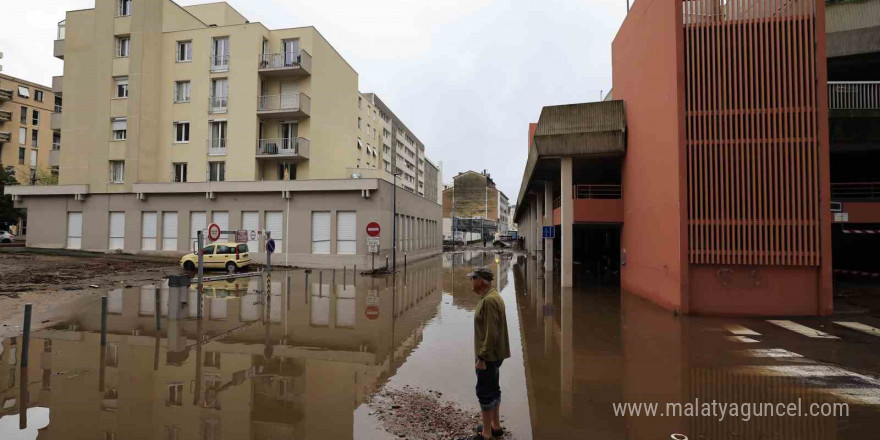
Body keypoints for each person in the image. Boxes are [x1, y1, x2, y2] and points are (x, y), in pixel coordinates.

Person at [461, 266, 510, 440]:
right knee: (494, 388)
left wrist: (481, 357)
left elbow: (492, 333)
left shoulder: (489, 301)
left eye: (472, 278)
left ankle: (487, 434)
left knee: (484, 392)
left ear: (480, 281)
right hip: (496, 355)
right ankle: (495, 426)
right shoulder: (493, 296)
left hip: (488, 356)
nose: (470, 282)